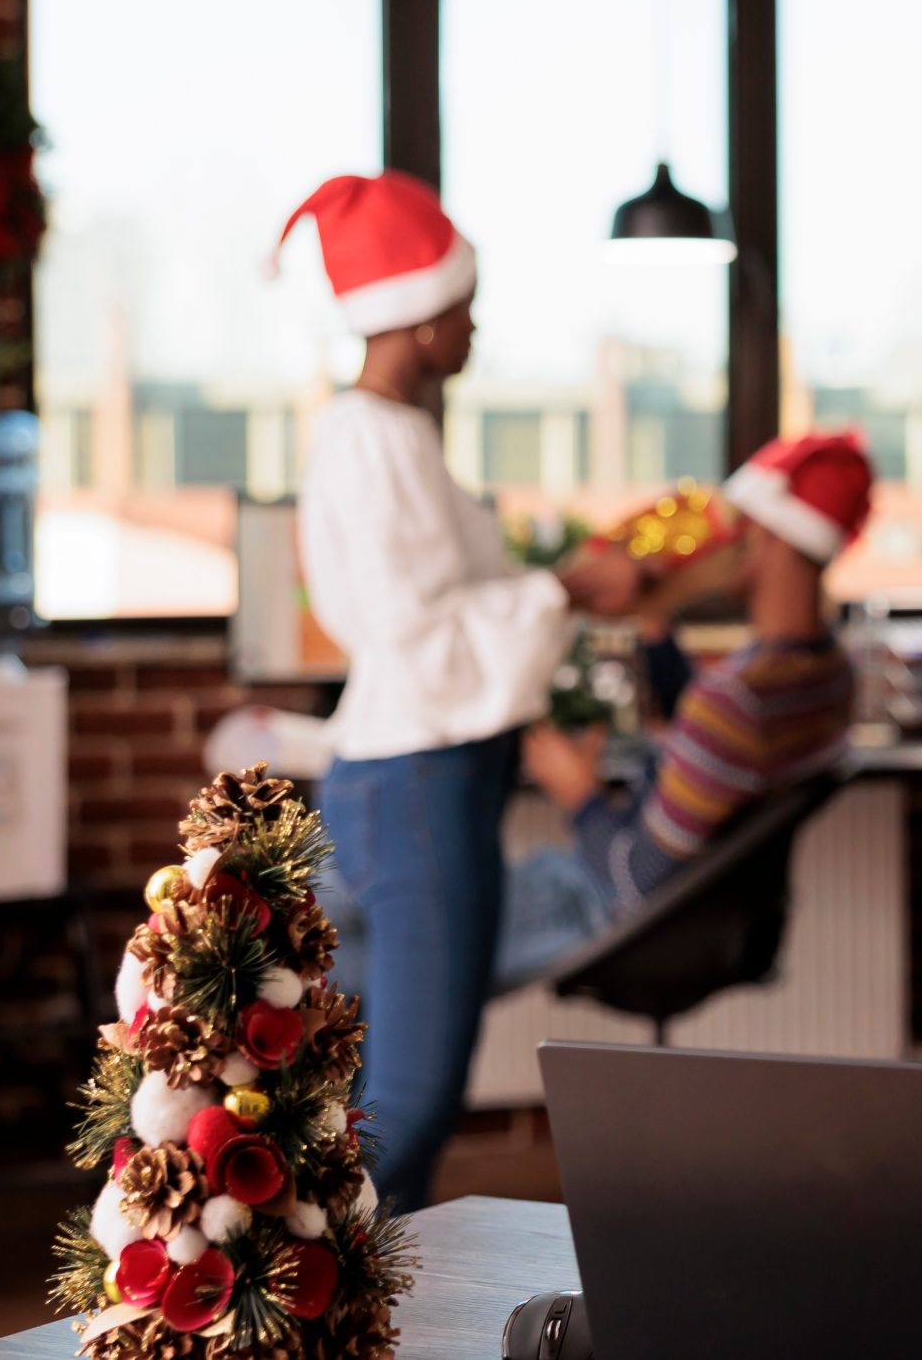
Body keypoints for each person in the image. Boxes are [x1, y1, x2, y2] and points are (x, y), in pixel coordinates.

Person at [286, 171, 643, 1213]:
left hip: (424, 778)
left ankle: (364, 1306)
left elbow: (457, 603)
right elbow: (418, 630)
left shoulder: (391, 437)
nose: (476, 323)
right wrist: (572, 585)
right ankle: (324, 1303)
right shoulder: (370, 442)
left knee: (388, 1090)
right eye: (464, 304)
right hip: (417, 782)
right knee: (411, 1097)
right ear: (420, 316)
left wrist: (568, 580)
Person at [520, 431, 871, 918]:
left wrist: (579, 794)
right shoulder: (833, 674)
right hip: (698, 911)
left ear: (766, 536)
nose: (718, 538)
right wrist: (655, 618)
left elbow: (630, 883)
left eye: (736, 525)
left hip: (601, 904)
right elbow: (714, 747)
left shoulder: (735, 702)